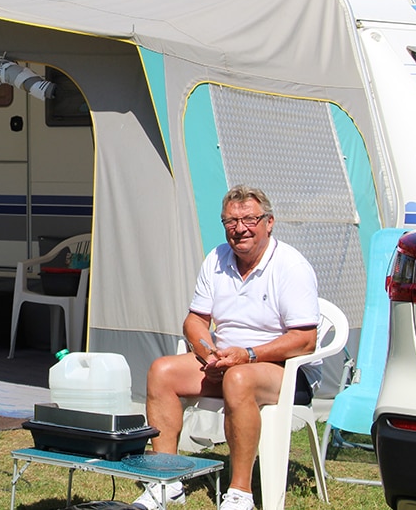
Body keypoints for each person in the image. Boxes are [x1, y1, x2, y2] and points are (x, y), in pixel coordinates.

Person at [135, 185, 320, 510]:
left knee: (239, 379)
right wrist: (208, 353)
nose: (240, 229)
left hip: (281, 370)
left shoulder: (291, 266)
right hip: (225, 360)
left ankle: (240, 493)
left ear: (269, 222)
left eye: (249, 219)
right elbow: (194, 319)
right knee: (162, 371)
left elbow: (305, 340)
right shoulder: (217, 258)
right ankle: (165, 482)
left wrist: (247, 356)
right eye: (231, 221)